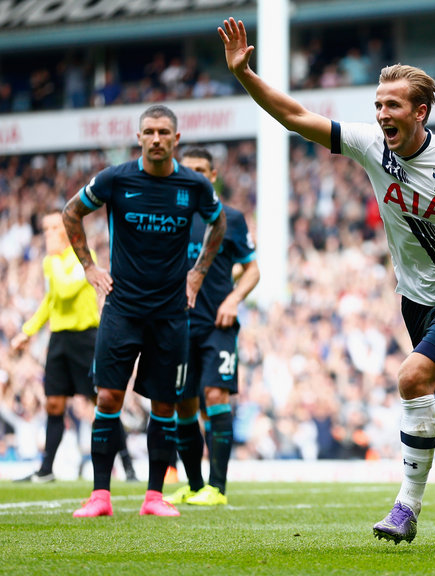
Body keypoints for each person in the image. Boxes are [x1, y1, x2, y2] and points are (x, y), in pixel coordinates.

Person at [219, 18, 435, 544]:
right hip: (415, 302)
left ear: (420, 111)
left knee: (411, 379)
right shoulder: (369, 145)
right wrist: (246, 75)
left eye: (392, 106)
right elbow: (292, 116)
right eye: (378, 106)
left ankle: (406, 508)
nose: (381, 115)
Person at [62, 104, 226, 517]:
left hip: (171, 312)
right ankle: (101, 495)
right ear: (139, 138)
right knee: (108, 395)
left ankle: (154, 496)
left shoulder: (193, 185)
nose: (156, 138)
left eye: (163, 132)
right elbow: (71, 212)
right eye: (149, 131)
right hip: (123, 307)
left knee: (165, 403)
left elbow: (218, 222)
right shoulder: (116, 179)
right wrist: (89, 266)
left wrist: (198, 274)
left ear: (176, 139)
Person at [164, 147, 260, 507]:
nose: (196, 176)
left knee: (215, 396)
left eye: (202, 170)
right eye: (189, 170)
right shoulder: (169, 217)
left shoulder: (230, 218)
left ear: (213, 175)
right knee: (184, 406)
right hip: (177, 326)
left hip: (218, 324)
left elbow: (253, 269)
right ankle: (194, 484)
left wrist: (234, 299)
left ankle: (217, 489)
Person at [11, 211, 136, 483]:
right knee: (54, 403)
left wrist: (53, 260)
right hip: (59, 339)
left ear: (67, 231)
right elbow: (51, 301)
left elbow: (66, 290)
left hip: (85, 338)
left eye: (55, 227)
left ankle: (128, 468)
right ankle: (46, 470)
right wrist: (27, 332)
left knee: (104, 401)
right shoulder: (50, 263)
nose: (49, 233)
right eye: (46, 228)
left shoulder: (82, 257)